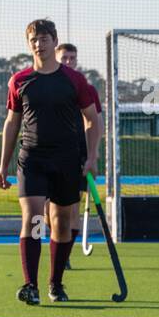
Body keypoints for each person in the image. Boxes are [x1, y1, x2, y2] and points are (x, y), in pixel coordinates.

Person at [0, 20, 100, 304]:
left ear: (54, 41)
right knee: (34, 219)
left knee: (62, 224)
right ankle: (31, 285)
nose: (38, 44)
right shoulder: (19, 80)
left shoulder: (74, 80)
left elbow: (93, 120)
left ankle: (56, 283)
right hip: (32, 158)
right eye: (33, 40)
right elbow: (11, 122)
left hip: (67, 160)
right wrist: (3, 165)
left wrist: (91, 157)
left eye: (43, 39)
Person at [55, 42, 103, 266]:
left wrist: (93, 154)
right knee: (50, 213)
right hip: (49, 154)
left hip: (77, 155)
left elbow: (95, 121)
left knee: (71, 210)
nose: (69, 62)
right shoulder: (48, 84)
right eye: (64, 58)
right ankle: (58, 245)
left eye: (72, 58)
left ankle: (64, 256)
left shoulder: (86, 88)